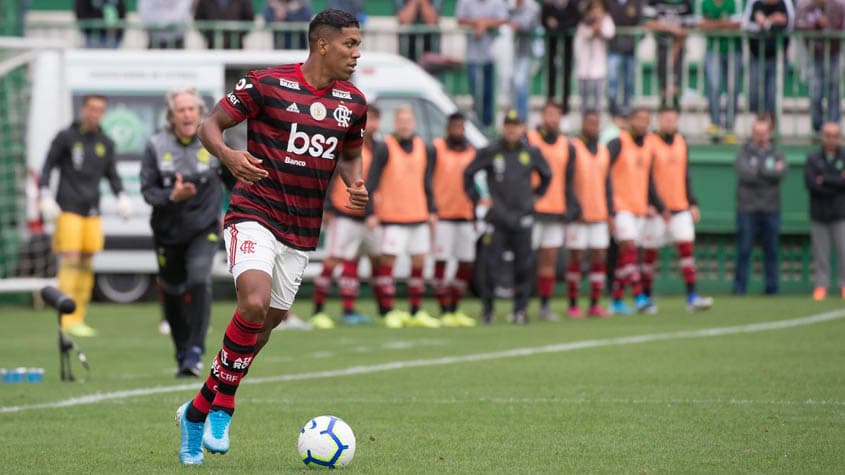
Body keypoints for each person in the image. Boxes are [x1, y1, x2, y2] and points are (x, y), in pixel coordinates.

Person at [176, 10, 368, 465]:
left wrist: (354, 183)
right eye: (350, 45)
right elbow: (209, 125)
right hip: (254, 211)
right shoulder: (266, 84)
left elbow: (350, 153)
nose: (356, 54)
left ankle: (198, 409)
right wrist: (228, 155)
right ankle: (224, 404)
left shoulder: (354, 103)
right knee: (254, 304)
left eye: (358, 45)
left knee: (265, 326)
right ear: (322, 44)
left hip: (302, 229)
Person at [140, 88, 231, 377]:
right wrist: (172, 196)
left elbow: (237, 179)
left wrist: (236, 212)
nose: (188, 114)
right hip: (167, 234)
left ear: (200, 113)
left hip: (203, 231)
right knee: (173, 293)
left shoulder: (215, 143)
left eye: (192, 109)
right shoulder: (156, 145)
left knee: (199, 278)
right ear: (171, 116)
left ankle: (195, 350)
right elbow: (148, 192)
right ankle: (182, 351)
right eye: (181, 110)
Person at [38, 95, 130, 338]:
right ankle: (65, 317)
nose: (95, 113)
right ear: (83, 109)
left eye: (100, 109)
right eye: (91, 108)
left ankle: (79, 316)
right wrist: (44, 194)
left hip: (92, 211)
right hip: (68, 208)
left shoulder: (105, 142)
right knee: (71, 259)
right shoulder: (66, 136)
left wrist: (121, 195)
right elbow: (47, 166)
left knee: (87, 262)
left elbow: (111, 174)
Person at [464, 109, 552, 324]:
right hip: (497, 217)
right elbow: (468, 173)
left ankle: (520, 309)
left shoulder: (531, 152)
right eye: (508, 125)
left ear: (522, 128)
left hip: (522, 217)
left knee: (524, 265)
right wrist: (477, 198)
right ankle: (488, 309)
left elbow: (547, 175)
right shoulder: (491, 151)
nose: (512, 129)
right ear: (503, 128)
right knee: (491, 265)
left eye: (516, 125)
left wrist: (536, 197)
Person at [365, 105, 440, 329]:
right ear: (395, 123)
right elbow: (372, 182)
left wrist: (432, 209)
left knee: (419, 263)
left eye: (408, 120)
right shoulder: (384, 147)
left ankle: (416, 310)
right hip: (392, 217)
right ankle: (388, 310)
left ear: (414, 123)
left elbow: (427, 182)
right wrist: (370, 212)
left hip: (418, 215)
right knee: (388, 263)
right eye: (401, 120)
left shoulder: (423, 147)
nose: (405, 124)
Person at [310, 106, 383, 328]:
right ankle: (318, 311)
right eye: (369, 120)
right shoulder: (348, 144)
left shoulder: (378, 148)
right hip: (343, 212)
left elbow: (375, 183)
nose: (372, 125)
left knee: (355, 260)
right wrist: (329, 206)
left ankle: (349, 310)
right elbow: (332, 173)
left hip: (365, 214)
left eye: (375, 120)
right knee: (333, 258)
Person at [642, 107, 714, 311]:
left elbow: (686, 175)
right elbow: (646, 178)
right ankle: (646, 298)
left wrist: (693, 202)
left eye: (673, 120)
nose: (670, 123)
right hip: (657, 210)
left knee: (687, 252)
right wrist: (655, 204)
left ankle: (692, 296)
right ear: (658, 121)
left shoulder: (681, 142)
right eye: (666, 119)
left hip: (680, 207)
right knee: (649, 255)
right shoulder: (650, 143)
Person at [526, 101, 578, 321]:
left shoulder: (567, 145)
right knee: (526, 259)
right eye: (549, 114)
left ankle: (544, 306)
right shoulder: (529, 139)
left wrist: (569, 206)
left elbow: (568, 180)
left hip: (556, 209)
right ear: (542, 116)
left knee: (549, 259)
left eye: (556, 115)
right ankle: (521, 304)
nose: (553, 119)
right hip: (533, 208)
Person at [606, 106, 657, 314]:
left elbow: (650, 180)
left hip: (639, 207)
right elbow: (602, 171)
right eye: (639, 119)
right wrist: (608, 207)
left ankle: (616, 300)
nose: (643, 123)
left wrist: (655, 204)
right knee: (629, 248)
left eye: (647, 119)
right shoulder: (617, 143)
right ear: (630, 121)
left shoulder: (648, 146)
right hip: (620, 207)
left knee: (624, 257)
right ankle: (639, 296)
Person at [431, 112, 478, 327]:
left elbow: (475, 184)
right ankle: (443, 308)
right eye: (455, 126)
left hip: (465, 215)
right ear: (447, 128)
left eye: (461, 126)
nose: (458, 130)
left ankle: (455, 306)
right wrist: (431, 208)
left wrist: (477, 208)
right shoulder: (437, 148)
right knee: (442, 260)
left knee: (466, 261)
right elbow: (427, 179)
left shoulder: (471, 152)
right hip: (443, 215)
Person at [733, 116, 787, 295]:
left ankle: (772, 288)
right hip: (747, 208)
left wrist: (759, 169)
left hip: (771, 208)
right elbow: (745, 174)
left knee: (771, 250)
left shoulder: (777, 153)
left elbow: (781, 173)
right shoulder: (744, 152)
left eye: (764, 133)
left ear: (770, 133)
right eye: (757, 133)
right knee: (744, 249)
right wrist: (768, 171)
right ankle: (740, 288)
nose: (760, 137)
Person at [566, 110, 612, 318]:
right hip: (579, 215)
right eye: (589, 122)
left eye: (596, 123)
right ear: (582, 124)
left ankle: (594, 303)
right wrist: (575, 208)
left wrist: (610, 212)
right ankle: (573, 304)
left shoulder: (603, 151)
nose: (593, 127)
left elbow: (607, 184)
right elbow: (566, 182)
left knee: (599, 257)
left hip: (599, 213)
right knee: (576, 257)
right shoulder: (573, 148)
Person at [803, 122, 845, 300]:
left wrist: (825, 180)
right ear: (822, 137)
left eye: (834, 135)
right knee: (821, 253)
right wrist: (836, 181)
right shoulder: (813, 159)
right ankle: (822, 285)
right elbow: (812, 184)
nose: (831, 139)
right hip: (819, 213)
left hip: (840, 213)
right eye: (827, 135)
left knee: (844, 251)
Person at [456, 0, 509, 128]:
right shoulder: (465, 2)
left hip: (491, 57)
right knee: (476, 92)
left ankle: (487, 126)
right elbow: (459, 20)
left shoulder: (497, 2)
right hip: (473, 57)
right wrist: (477, 23)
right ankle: (479, 124)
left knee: (489, 94)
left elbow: (504, 19)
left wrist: (485, 24)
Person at [796, 0, 844, 135]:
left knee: (834, 92)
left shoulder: (839, 5)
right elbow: (797, 24)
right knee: (815, 93)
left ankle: (833, 129)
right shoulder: (804, 5)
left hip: (834, 54)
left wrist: (832, 27)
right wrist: (816, 25)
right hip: (813, 55)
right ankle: (818, 128)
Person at [742, 0, 795, 116]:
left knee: (773, 97)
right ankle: (760, 128)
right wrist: (771, 22)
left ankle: (772, 129)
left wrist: (766, 22)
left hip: (778, 57)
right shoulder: (754, 2)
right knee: (755, 95)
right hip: (756, 56)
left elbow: (789, 26)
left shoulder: (785, 3)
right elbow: (745, 25)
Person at [700, 0, 742, 143]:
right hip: (713, 50)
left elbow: (738, 25)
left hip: (733, 50)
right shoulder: (706, 3)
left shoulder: (736, 2)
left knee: (732, 89)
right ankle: (715, 124)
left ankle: (730, 128)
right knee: (714, 87)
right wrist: (724, 24)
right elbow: (703, 26)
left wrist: (715, 24)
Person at [643, 0, 695, 108]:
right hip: (661, 47)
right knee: (664, 85)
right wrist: (671, 28)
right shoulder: (653, 2)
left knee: (675, 86)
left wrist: (676, 48)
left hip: (679, 47)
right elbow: (648, 22)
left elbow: (687, 28)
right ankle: (664, 114)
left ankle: (674, 115)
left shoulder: (685, 4)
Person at [542, 0, 583, 117]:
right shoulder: (548, 5)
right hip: (552, 47)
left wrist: (558, 26)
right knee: (551, 76)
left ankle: (565, 110)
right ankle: (550, 109)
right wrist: (549, 23)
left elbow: (575, 21)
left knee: (566, 77)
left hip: (567, 46)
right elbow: (543, 20)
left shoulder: (572, 5)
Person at [574, 0, 615, 114]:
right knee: (584, 97)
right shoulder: (584, 21)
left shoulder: (606, 19)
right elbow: (582, 34)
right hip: (585, 65)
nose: (596, 11)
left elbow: (610, 33)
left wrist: (600, 28)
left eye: (598, 8)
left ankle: (597, 121)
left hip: (598, 65)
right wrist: (593, 30)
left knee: (598, 98)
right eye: (594, 8)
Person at [606, 0, 643, 114]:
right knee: (612, 77)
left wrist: (633, 40)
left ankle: (626, 106)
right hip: (613, 46)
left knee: (628, 79)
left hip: (630, 48)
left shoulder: (636, 3)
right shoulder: (609, 2)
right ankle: (612, 106)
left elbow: (640, 23)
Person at [509, 0, 541, 121]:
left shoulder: (533, 6)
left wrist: (511, 18)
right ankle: (511, 119)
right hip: (508, 51)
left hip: (526, 52)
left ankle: (520, 120)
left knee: (520, 84)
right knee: (509, 85)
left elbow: (525, 25)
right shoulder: (509, 4)